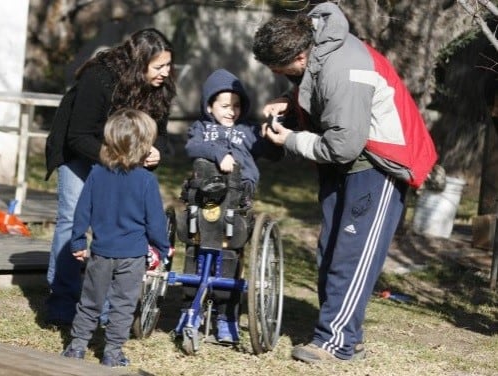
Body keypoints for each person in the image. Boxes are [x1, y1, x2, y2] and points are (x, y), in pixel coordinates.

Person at [252, 2, 437, 362]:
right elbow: (317, 90)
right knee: (331, 251)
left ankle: (337, 343)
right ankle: (343, 333)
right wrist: (289, 102)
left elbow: (342, 144)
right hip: (348, 162)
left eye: (281, 69)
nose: (279, 73)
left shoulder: (346, 67)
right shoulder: (321, 52)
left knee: (351, 256)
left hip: (380, 164)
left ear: (300, 55)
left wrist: (288, 139)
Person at [45, 28, 176, 326]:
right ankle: (62, 299)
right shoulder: (99, 77)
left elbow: (164, 136)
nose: (166, 73)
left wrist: (158, 153)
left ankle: (104, 304)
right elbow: (78, 136)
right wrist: (119, 158)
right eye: (159, 67)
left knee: (117, 223)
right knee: (71, 217)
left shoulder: (160, 88)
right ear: (138, 63)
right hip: (81, 152)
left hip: (123, 160)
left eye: (168, 65)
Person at [61, 108, 171, 367]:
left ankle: (77, 346)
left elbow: (82, 210)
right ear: (144, 146)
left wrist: (78, 241)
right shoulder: (146, 180)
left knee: (90, 301)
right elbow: (155, 221)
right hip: (132, 256)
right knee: (123, 305)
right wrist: (163, 248)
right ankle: (112, 352)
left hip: (100, 252)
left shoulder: (97, 174)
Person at [182, 68, 283, 343]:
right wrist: (219, 153)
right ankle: (191, 308)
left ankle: (226, 316)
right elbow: (192, 147)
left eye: (236, 106)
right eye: (225, 106)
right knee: (196, 247)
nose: (232, 111)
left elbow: (274, 154)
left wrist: (272, 132)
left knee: (231, 253)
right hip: (205, 194)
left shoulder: (248, 130)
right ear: (209, 105)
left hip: (238, 195)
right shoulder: (202, 129)